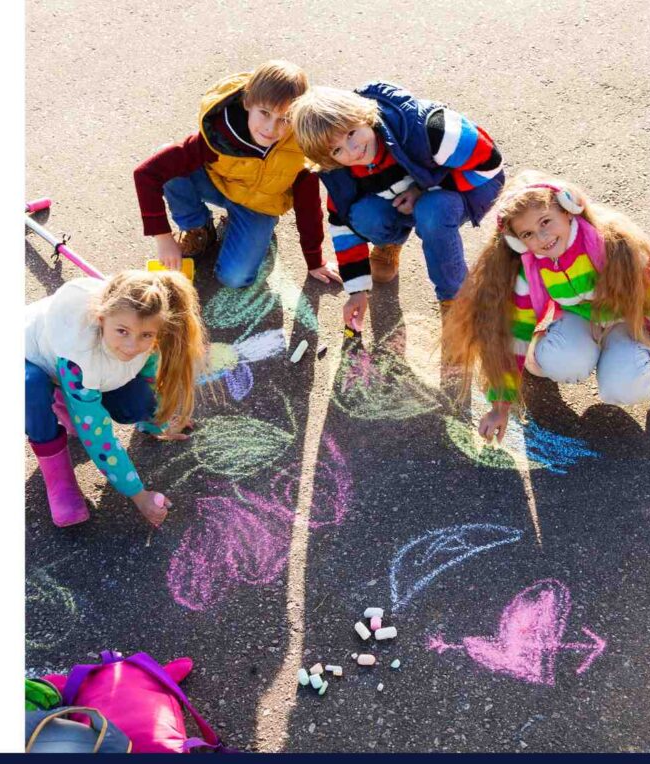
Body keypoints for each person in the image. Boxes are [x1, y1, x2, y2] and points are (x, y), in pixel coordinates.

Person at [444, 173, 650, 441]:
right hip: (581, 320)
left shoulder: (616, 247)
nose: (542, 237)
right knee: (560, 361)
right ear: (518, 242)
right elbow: (514, 331)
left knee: (622, 386)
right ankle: (541, 355)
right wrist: (500, 406)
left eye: (545, 221)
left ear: (568, 210)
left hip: (631, 321)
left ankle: (639, 364)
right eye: (528, 234)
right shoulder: (531, 269)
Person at [290, 83, 504, 329]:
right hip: (407, 193)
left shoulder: (428, 129)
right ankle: (391, 242)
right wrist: (357, 291)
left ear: (362, 115)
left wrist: (424, 189)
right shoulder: (341, 171)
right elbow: (343, 225)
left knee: (432, 210)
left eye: (351, 132)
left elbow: (490, 163)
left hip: (472, 185)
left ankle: (456, 300)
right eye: (337, 150)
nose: (354, 149)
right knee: (362, 214)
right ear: (329, 159)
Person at [133, 59, 341, 288]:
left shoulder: (301, 148)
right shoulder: (219, 131)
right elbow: (146, 173)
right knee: (166, 162)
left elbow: (309, 206)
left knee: (234, 278)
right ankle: (198, 228)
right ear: (247, 102)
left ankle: (251, 229)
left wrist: (314, 260)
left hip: (260, 206)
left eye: (284, 119)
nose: (271, 128)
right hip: (219, 183)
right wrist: (163, 238)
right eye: (264, 113)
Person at [25, 270, 206, 527]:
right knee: (29, 387)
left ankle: (68, 397)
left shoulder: (146, 330)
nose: (132, 346)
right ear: (101, 319)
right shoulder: (79, 359)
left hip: (90, 368)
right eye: (122, 331)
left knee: (135, 402)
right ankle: (59, 478)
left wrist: (158, 420)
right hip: (29, 357)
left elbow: (149, 380)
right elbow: (97, 435)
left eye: (145, 335)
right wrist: (138, 495)